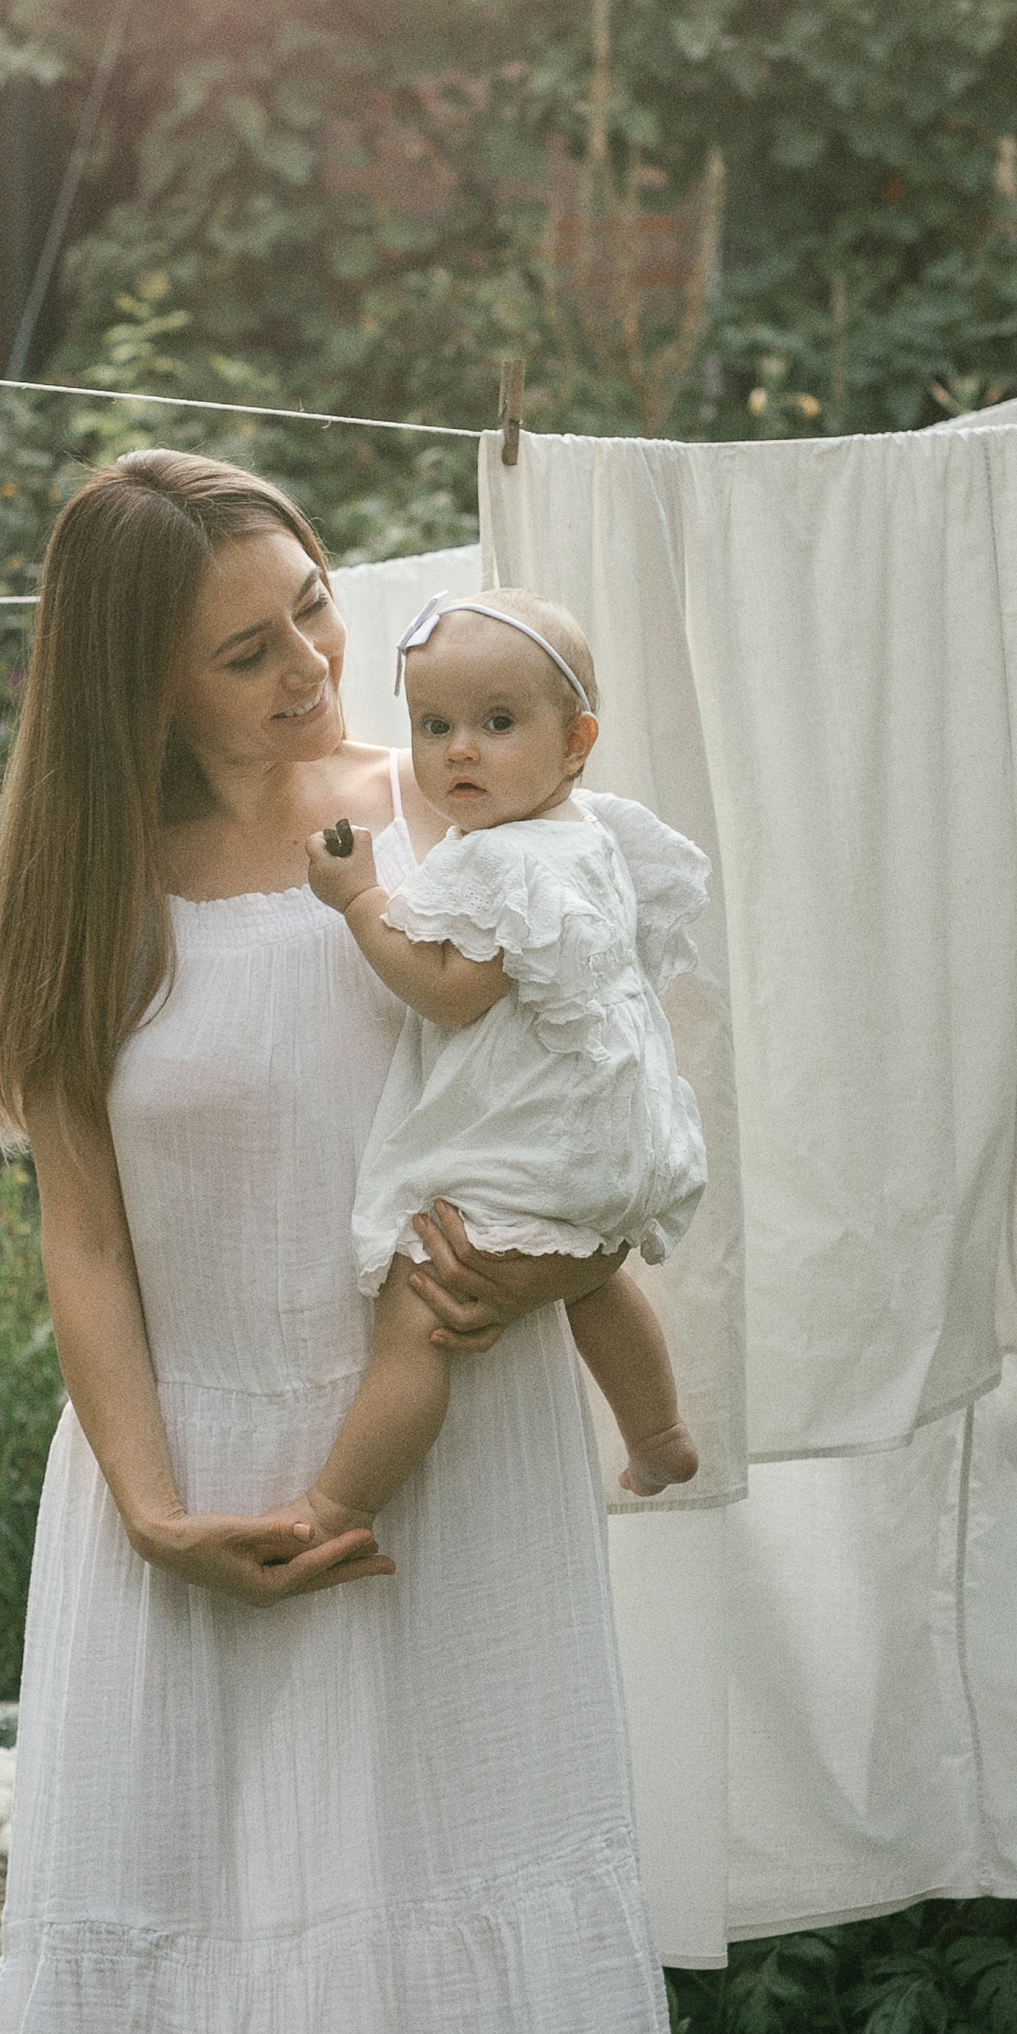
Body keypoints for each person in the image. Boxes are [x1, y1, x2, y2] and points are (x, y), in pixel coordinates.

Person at [0, 448, 697, 2034]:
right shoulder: (85, 893)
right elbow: (83, 1243)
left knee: (417, 1875)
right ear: (129, 687)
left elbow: (588, 1070)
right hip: (177, 1450)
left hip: (440, 1431)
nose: (310, 668)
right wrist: (155, 1504)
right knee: (145, 1879)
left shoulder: (442, 814)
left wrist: (548, 1271)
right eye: (243, 650)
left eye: (313, 611)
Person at [266, 583, 708, 1549]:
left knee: (414, 1315)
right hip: (614, 1148)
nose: (459, 750)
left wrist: (357, 900)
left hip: (535, 1153)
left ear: (575, 741)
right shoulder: (593, 834)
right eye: (435, 724)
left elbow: (450, 993)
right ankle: (659, 1433)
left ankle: (339, 1505)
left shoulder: (494, 861)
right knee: (593, 1279)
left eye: (497, 723)